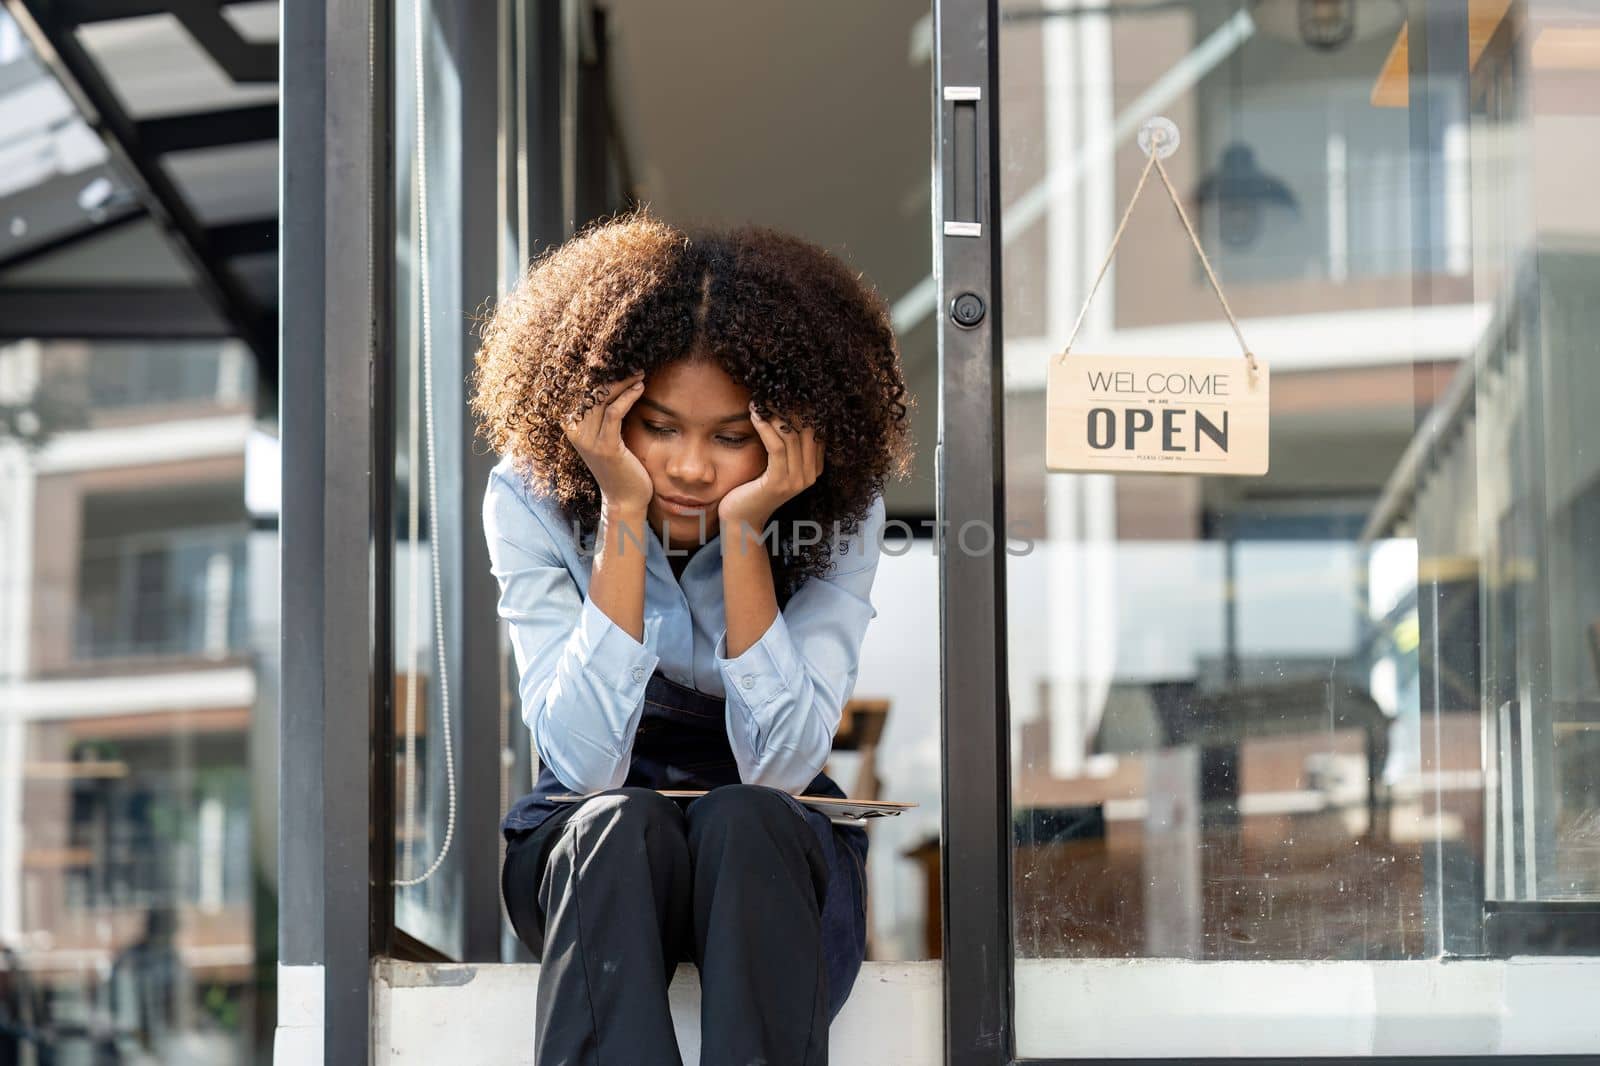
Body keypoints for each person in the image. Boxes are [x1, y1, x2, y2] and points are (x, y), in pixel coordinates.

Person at [470, 213, 914, 1066]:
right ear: (601, 413)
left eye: (731, 437)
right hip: (595, 870)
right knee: (617, 822)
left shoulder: (840, 516)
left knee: (746, 818)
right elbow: (586, 762)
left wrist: (747, 537)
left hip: (765, 877)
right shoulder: (526, 499)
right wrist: (621, 518)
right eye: (660, 427)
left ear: (789, 432)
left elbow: (780, 766)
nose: (690, 468)